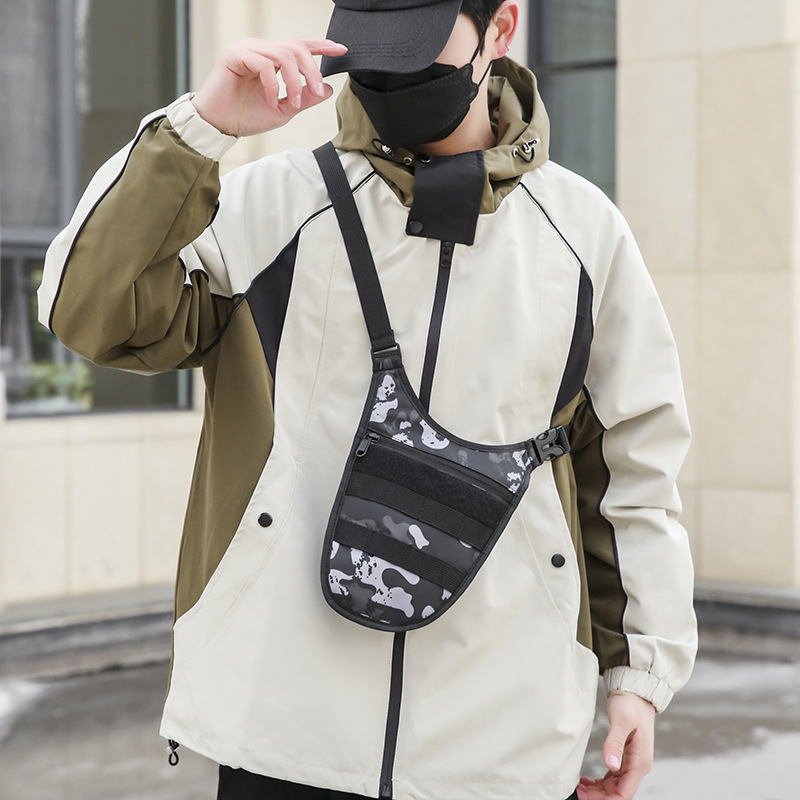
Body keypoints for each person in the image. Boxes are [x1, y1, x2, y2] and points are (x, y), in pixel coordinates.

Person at [37, 2, 697, 799]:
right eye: (373, 46)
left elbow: (630, 471)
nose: (390, 70)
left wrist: (639, 675)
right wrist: (201, 128)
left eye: (418, 44)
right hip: (282, 729)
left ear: (501, 28)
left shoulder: (584, 236)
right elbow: (88, 309)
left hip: (500, 741)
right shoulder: (272, 207)